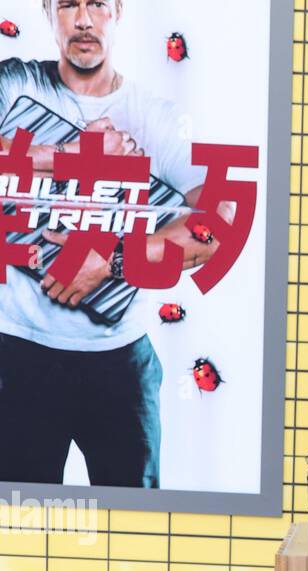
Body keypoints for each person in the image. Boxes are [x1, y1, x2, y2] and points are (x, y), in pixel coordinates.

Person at [0, 0, 221, 487]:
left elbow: (214, 231)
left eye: (97, 4)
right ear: (47, 13)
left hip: (122, 363)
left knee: (140, 537)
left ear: (118, 12)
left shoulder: (156, 119)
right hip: (19, 354)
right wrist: (70, 157)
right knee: (15, 537)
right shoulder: (15, 84)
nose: (83, 20)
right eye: (68, 5)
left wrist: (112, 261)